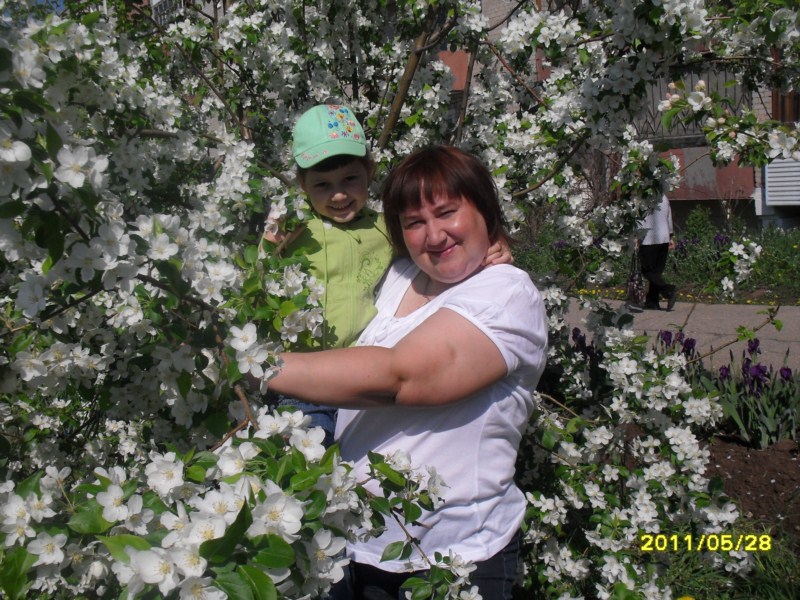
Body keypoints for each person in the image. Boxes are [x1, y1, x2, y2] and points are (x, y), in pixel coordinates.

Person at [265, 145, 548, 599]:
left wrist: (253, 364)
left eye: (448, 213)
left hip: (454, 557)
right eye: (414, 223)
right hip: (359, 545)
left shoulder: (506, 292)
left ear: (485, 210)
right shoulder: (397, 276)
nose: (434, 235)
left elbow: (403, 377)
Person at [266, 105, 512, 446]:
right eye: (322, 185)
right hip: (300, 380)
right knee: (304, 461)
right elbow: (258, 277)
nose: (339, 195)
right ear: (302, 185)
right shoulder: (295, 229)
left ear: (369, 170)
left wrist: (493, 242)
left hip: (357, 380)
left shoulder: (385, 229)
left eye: (350, 179)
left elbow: (436, 247)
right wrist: (269, 247)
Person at [638, 193, 677, 311]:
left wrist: (635, 236)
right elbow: (668, 217)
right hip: (664, 238)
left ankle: (668, 290)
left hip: (648, 239)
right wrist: (670, 236)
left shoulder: (642, 198)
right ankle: (652, 301)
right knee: (656, 272)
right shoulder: (663, 197)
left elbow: (638, 219)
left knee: (647, 270)